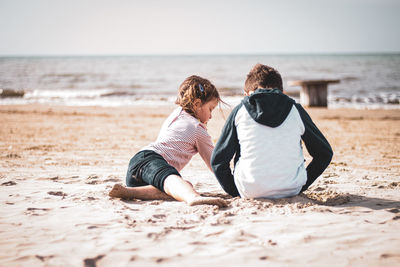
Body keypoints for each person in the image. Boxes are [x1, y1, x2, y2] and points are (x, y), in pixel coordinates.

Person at [211, 64, 333, 199]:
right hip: (292, 188)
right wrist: (302, 184)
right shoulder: (295, 109)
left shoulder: (240, 110)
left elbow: (218, 160)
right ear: (282, 92)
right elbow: (324, 153)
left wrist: (235, 191)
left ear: (246, 94)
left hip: (249, 190)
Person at [109, 75, 227, 207]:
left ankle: (131, 192)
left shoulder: (177, 113)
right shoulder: (197, 129)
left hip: (137, 170)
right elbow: (215, 164)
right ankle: (193, 197)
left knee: (184, 185)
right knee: (173, 180)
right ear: (197, 104)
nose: (211, 116)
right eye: (210, 109)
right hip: (152, 160)